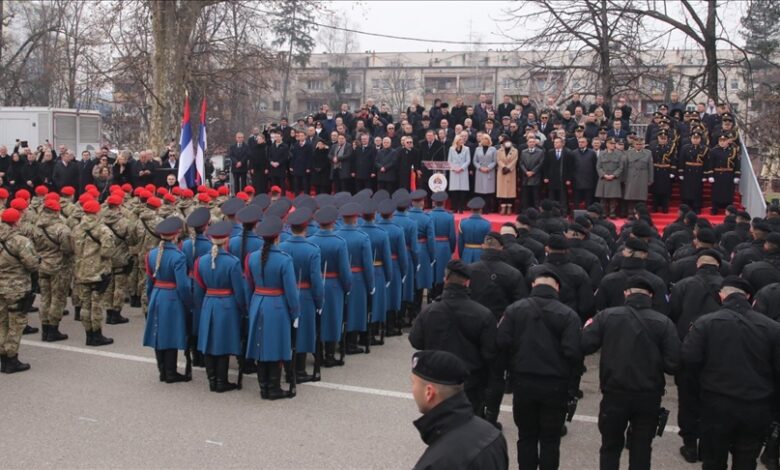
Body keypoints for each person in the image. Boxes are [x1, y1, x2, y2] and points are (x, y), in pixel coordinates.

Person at [582, 276, 681, 470]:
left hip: (614, 391)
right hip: (648, 394)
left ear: (626, 293)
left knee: (610, 446)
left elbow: (585, 344)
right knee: (642, 448)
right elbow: (673, 363)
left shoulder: (606, 316)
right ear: (651, 296)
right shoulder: (664, 323)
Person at [682, 277, 780, 470]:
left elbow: (689, 360)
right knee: (746, 461)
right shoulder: (772, 328)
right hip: (756, 406)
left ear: (721, 296)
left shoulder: (705, 323)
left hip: (716, 403)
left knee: (712, 461)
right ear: (749, 298)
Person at [497, 268, 582, 470]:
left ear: (534, 285)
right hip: (555, 385)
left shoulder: (514, 310)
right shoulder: (568, 315)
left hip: (523, 382)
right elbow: (573, 353)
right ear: (557, 288)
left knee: (526, 436)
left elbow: (501, 342)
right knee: (550, 440)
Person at [410, 349, 509, 470]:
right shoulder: (494, 435)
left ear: (429, 392)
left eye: (413, 383)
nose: (412, 389)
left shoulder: (435, 463)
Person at [245, 215, 299, 399]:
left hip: (258, 301)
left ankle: (264, 387)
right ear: (277, 237)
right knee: (276, 345)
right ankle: (273, 388)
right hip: (277, 305)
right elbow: (291, 291)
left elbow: (249, 285)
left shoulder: (252, 257)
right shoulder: (284, 260)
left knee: (260, 345)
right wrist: (295, 312)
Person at [193, 221, 246, 392]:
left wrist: (203, 305)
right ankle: (221, 381)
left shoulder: (201, 261)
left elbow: (199, 289)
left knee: (209, 340)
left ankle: (212, 379)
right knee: (223, 342)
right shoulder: (233, 262)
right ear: (226, 240)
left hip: (209, 301)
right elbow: (239, 290)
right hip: (227, 303)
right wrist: (242, 309)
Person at [143, 217, 193, 383]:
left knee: (159, 332)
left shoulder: (151, 254)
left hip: (157, 293)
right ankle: (170, 372)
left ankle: (162, 370)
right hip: (171, 296)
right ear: (176, 235)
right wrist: (188, 303)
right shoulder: (178, 256)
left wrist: (151, 297)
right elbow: (183, 285)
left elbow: (149, 280)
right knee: (170, 333)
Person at [308, 206, 351, 367]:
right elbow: (344, 270)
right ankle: (329, 354)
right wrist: (347, 287)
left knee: (318, 319)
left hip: (315, 283)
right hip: (334, 285)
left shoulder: (311, 240)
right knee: (333, 319)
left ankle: (317, 351)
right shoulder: (339, 242)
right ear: (333, 222)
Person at [0, 208, 38, 373]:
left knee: (2, 322)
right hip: (16, 288)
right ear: (16, 221)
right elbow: (32, 265)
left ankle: (3, 356)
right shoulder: (20, 241)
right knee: (16, 323)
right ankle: (11, 359)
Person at [73, 200, 115, 347]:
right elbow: (107, 251)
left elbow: (74, 249)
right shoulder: (102, 230)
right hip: (98, 272)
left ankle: (88, 335)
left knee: (85, 304)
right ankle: (97, 335)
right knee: (96, 304)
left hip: (81, 271)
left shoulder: (77, 228)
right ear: (97, 212)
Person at [336, 202, 375, 354]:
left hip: (339, 277)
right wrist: (371, 284)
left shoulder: (337, 235)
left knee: (343, 309)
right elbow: (367, 265)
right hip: (358, 277)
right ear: (355, 218)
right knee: (355, 310)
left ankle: (341, 340)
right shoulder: (362, 238)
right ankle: (350, 343)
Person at [32, 198, 72, 342]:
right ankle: (53, 329)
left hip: (42, 264)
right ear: (56, 211)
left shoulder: (37, 225)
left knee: (45, 297)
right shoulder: (61, 228)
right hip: (58, 266)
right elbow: (67, 249)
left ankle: (45, 329)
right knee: (58, 298)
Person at [358, 201, 392, 345]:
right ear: (374, 215)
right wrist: (389, 276)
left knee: (363, 304)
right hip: (377, 270)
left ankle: (362, 334)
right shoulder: (381, 234)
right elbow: (387, 258)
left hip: (359, 273)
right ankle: (370, 335)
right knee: (375, 304)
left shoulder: (358, 232)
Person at [101, 195, 132, 325]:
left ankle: (108, 312)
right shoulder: (124, 222)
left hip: (107, 257)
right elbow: (132, 239)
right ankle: (116, 312)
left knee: (109, 285)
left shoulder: (100, 219)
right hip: (121, 257)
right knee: (119, 286)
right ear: (119, 206)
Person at [707, 134, 740, 215]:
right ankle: (715, 208)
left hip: (729, 174)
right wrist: (710, 175)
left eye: (724, 141)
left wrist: (737, 175)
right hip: (717, 174)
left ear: (727, 141)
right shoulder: (714, 151)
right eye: (720, 141)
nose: (722, 142)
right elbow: (710, 164)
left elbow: (737, 164)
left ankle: (728, 209)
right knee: (716, 192)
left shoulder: (733, 151)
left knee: (728, 192)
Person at [678, 131, 709, 213]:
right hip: (688, 172)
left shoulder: (704, 149)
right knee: (686, 190)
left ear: (700, 139)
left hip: (698, 172)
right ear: (691, 139)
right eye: (694, 138)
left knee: (697, 190)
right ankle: (686, 207)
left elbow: (706, 162)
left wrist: (705, 175)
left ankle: (697, 206)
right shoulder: (685, 148)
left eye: (697, 138)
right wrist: (681, 172)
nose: (695, 140)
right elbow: (681, 160)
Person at [623, 136, 654, 217]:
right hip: (631, 176)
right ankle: (630, 213)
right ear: (633, 144)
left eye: (640, 144)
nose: (639, 146)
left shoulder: (648, 153)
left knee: (641, 197)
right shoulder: (628, 153)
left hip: (643, 176)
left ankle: (641, 214)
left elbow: (650, 167)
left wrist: (650, 179)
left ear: (643, 144)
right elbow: (625, 167)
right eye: (637, 144)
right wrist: (624, 178)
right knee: (631, 196)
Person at [594, 138, 624, 219]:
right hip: (604, 178)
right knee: (603, 198)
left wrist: (614, 175)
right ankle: (603, 212)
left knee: (613, 198)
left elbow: (621, 167)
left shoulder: (619, 154)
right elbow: (598, 167)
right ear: (607, 144)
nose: (613, 145)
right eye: (611, 143)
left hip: (614, 178)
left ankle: (612, 213)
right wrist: (604, 175)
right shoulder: (601, 154)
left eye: (614, 143)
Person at [543, 137, 573, 213]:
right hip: (552, 178)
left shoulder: (567, 153)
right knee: (552, 197)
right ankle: (552, 212)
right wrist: (546, 177)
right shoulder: (550, 152)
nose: (555, 144)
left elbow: (570, 167)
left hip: (562, 178)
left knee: (563, 197)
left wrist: (568, 179)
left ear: (562, 143)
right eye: (554, 142)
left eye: (557, 142)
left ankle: (564, 212)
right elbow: (546, 166)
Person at [457, 197, 491, 263]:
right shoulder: (486, 224)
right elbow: (488, 243)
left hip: (466, 253)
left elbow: (460, 243)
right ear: (481, 210)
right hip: (481, 254)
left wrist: (462, 255)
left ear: (471, 210)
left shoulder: (463, 223)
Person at [473, 134, 497, 213]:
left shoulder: (493, 149)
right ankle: (480, 208)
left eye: (486, 139)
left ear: (489, 140)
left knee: (488, 192)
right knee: (480, 191)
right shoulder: (477, 149)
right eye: (483, 139)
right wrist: (480, 167)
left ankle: (488, 209)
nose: (484, 140)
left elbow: (495, 161)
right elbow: (475, 161)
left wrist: (488, 168)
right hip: (480, 171)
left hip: (489, 171)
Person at [447, 135, 471, 213]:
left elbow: (468, 160)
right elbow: (449, 161)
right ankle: (454, 207)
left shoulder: (466, 149)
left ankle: (461, 208)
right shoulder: (451, 149)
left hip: (463, 171)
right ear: (456, 141)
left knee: (462, 191)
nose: (462, 141)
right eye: (460, 140)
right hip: (454, 171)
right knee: (454, 191)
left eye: (462, 140)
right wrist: (454, 168)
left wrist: (461, 168)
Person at [496, 137, 518, 215]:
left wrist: (508, 168)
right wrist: (503, 167)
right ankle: (503, 207)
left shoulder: (515, 151)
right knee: (502, 190)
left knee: (509, 191)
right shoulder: (499, 151)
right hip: (502, 172)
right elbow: (498, 160)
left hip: (510, 172)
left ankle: (509, 207)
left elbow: (515, 160)